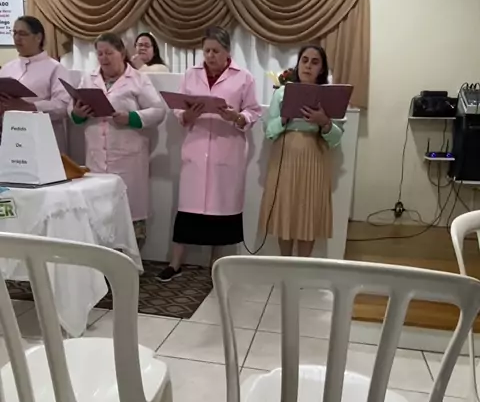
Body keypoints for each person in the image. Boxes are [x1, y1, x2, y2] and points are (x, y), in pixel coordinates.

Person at [158, 26, 262, 281]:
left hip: (226, 152)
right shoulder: (191, 75)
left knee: (221, 211)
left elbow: (253, 111)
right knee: (187, 212)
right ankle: (175, 262)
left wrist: (236, 116)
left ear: (227, 52)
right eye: (206, 51)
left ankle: (215, 263)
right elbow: (179, 110)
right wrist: (187, 114)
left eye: (215, 51)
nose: (210, 56)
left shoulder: (244, 77)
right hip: (196, 151)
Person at [70, 32, 166, 248]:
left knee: (129, 217)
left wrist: (131, 117)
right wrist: (78, 113)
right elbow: (72, 112)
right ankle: (101, 264)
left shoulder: (138, 79)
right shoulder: (88, 79)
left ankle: (129, 262)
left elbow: (159, 111)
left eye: (109, 53)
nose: (104, 58)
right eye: (100, 54)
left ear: (121, 53)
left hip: (128, 160)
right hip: (96, 158)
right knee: (98, 215)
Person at [258, 45, 344, 257]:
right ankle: (285, 265)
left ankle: (304, 266)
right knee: (286, 210)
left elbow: (336, 138)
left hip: (314, 157)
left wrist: (323, 121)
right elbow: (268, 131)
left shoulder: (329, 96)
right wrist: (285, 117)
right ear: (298, 64)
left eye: (315, 62)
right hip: (284, 156)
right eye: (304, 60)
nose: (308, 66)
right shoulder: (282, 93)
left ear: (322, 69)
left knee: (309, 213)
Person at [0, 15, 70, 150]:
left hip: (44, 139)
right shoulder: (7, 68)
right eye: (14, 33)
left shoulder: (55, 68)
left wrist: (29, 106)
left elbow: (62, 106)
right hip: (11, 137)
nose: (17, 38)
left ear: (38, 37)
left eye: (22, 34)